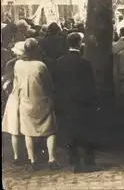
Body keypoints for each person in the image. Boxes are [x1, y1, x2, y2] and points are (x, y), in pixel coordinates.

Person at [53, 33, 101, 173]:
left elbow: (57, 83)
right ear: (80, 43)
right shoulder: (85, 63)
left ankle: (74, 162)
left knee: (70, 132)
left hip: (67, 102)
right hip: (83, 103)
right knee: (87, 130)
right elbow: (91, 85)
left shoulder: (60, 62)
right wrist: (94, 101)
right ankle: (89, 161)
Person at [11, 38, 59, 171]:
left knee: (28, 132)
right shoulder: (40, 65)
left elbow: (16, 83)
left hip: (26, 101)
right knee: (50, 130)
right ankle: (52, 158)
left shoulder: (18, 65)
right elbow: (48, 84)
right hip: (42, 100)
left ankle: (32, 160)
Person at [2, 41, 26, 166]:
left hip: (15, 98)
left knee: (15, 128)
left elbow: (6, 82)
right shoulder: (31, 63)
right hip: (26, 97)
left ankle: (17, 156)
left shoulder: (11, 64)